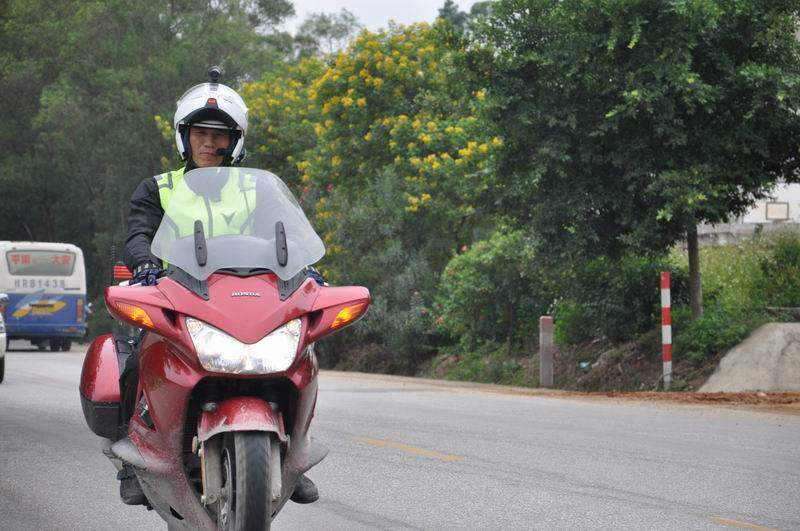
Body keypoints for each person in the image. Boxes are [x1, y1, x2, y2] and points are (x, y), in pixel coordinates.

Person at [118, 67, 320, 506]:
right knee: (137, 361)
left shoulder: (257, 191)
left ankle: (292, 459)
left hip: (251, 297)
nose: (209, 143)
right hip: (178, 295)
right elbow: (138, 234)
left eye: (219, 134)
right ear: (183, 136)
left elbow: (288, 234)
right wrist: (145, 265)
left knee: (300, 356)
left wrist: (307, 270)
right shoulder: (159, 189)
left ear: (235, 141)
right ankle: (134, 462)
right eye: (200, 133)